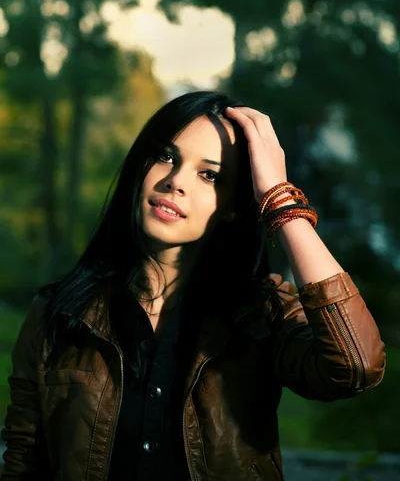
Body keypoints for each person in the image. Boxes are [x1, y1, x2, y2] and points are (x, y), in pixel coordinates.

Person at [0, 90, 385, 481]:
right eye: (166, 156)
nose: (174, 182)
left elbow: (355, 366)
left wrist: (280, 200)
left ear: (233, 205)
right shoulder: (58, 312)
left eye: (209, 175)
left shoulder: (261, 314)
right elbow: (23, 461)